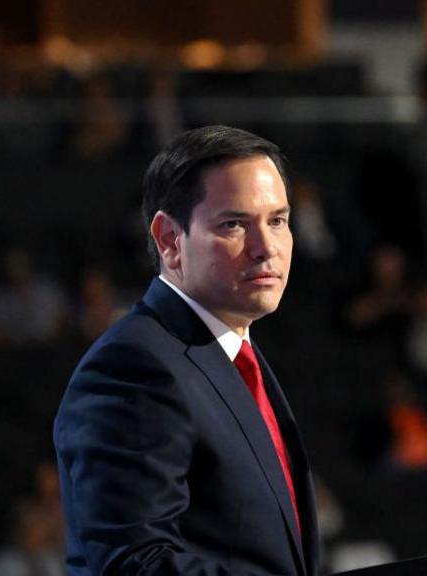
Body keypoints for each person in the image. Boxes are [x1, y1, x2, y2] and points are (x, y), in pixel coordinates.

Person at [53, 125, 318, 575]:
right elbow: (134, 565)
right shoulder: (133, 366)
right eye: (234, 224)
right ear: (170, 240)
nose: (265, 248)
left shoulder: (233, 353)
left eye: (277, 220)